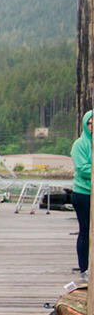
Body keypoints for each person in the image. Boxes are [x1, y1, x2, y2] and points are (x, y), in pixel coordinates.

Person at [72, 111, 91, 281]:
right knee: (85, 230)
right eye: (90, 123)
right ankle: (84, 268)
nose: (92, 127)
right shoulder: (80, 144)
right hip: (83, 193)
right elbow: (82, 169)